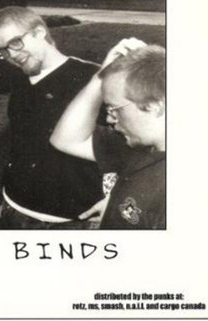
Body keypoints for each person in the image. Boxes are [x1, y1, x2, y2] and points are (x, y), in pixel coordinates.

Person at [0, 6, 104, 229]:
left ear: (39, 32)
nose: (12, 56)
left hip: (68, 222)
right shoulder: (20, 77)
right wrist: (6, 203)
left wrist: (117, 198)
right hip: (12, 210)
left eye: (15, 43)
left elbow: (147, 145)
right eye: (2, 51)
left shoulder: (93, 79)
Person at [50, 39, 166, 229]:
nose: (110, 119)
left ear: (154, 106)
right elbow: (65, 139)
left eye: (114, 109)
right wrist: (100, 77)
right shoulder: (137, 145)